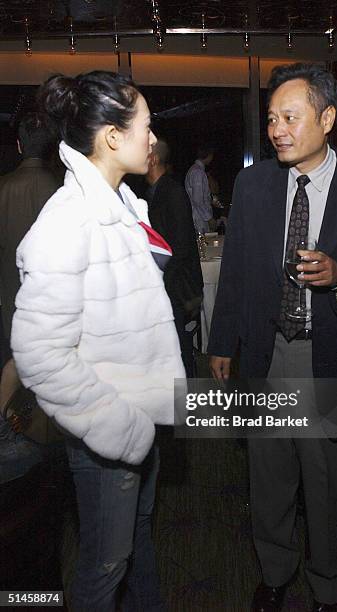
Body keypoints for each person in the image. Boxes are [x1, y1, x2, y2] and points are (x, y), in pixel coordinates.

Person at [208, 63, 337, 612]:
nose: (277, 129)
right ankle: (275, 572)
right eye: (272, 118)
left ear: (327, 118)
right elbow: (235, 274)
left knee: (329, 490)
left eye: (290, 117)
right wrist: (222, 342)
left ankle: (329, 586)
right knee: (269, 478)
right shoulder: (253, 186)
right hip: (267, 353)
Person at [11, 71, 186, 612]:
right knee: (102, 571)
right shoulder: (68, 222)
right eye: (146, 125)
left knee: (134, 551)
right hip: (110, 433)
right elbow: (39, 356)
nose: (152, 138)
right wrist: (122, 428)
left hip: (140, 421)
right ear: (112, 136)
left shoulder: (122, 209)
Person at [0, 112, 60, 413]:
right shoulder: (61, 191)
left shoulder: (3, 186)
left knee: (14, 364)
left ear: (20, 145)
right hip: (52, 300)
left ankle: (11, 425)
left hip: (10, 296)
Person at [146, 138, 203, 377]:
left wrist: (158, 282)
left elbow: (180, 248)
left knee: (179, 349)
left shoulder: (172, 191)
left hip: (174, 288)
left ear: (154, 159)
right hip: (164, 287)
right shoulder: (151, 191)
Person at [185, 144, 214, 233]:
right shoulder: (197, 172)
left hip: (199, 216)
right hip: (199, 218)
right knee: (203, 244)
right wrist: (209, 218)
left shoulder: (195, 170)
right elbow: (197, 200)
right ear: (208, 155)